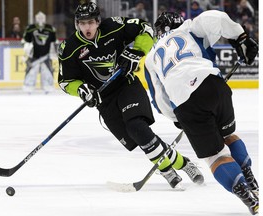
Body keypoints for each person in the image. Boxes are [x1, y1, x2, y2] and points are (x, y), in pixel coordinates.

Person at [58, 2, 204, 189]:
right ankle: (183, 163)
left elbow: (146, 28)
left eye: (91, 22)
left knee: (137, 127)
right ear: (77, 24)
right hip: (104, 101)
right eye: (83, 23)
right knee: (139, 138)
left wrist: (137, 50)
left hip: (126, 86)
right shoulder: (69, 48)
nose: (88, 27)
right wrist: (81, 89)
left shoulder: (113, 26)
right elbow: (65, 81)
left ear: (98, 21)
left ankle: (166, 169)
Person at [144, 11, 259, 214]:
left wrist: (176, 117)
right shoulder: (188, 27)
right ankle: (248, 174)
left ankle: (243, 191)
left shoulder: (151, 57)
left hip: (185, 101)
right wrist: (240, 37)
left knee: (215, 156)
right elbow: (217, 17)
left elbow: (159, 99)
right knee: (228, 135)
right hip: (214, 84)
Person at [21, 11, 57, 94]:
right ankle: (28, 87)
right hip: (34, 55)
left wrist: (54, 53)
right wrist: (26, 53)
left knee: (47, 71)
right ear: (36, 18)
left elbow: (53, 42)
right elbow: (26, 41)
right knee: (31, 71)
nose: (40, 19)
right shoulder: (30, 28)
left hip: (46, 55)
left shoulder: (50, 28)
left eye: (42, 18)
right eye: (38, 18)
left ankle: (48, 87)